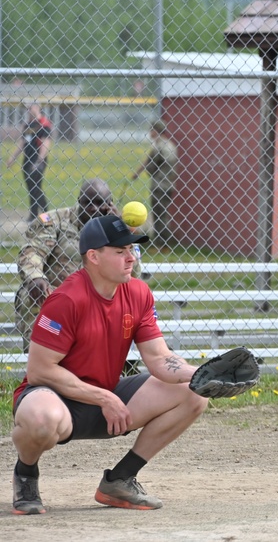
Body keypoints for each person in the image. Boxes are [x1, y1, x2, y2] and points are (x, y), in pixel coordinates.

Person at [10, 214, 209, 514]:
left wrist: (203, 373)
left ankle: (120, 480)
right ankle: (26, 473)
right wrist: (104, 398)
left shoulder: (138, 292)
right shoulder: (67, 299)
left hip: (108, 397)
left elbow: (157, 357)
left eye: (131, 250)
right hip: (56, 399)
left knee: (194, 392)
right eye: (120, 252)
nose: (131, 258)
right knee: (41, 420)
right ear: (93, 257)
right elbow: (40, 371)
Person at [15, 179, 142, 351]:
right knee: (31, 293)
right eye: (88, 203)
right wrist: (35, 277)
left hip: (101, 300)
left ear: (109, 205)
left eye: (100, 203)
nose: (94, 209)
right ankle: (42, 358)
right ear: (79, 201)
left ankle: (122, 368)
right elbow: (32, 251)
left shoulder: (113, 228)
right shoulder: (56, 221)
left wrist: (118, 230)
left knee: (130, 299)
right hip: (59, 298)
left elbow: (134, 274)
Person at [131, 120, 179, 246]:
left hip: (158, 185)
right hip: (169, 184)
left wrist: (143, 171)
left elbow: (151, 166)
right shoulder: (171, 145)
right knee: (164, 213)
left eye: (151, 130)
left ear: (156, 131)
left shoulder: (158, 147)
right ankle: (164, 241)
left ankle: (161, 243)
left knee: (158, 216)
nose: (150, 133)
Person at [6, 103, 53, 221]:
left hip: (37, 160)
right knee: (31, 188)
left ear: (37, 107)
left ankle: (47, 217)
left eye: (30, 107)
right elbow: (22, 143)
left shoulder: (44, 124)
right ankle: (33, 215)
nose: (28, 110)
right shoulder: (28, 125)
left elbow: (46, 143)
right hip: (27, 160)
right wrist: (12, 157)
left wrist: (39, 160)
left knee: (37, 188)